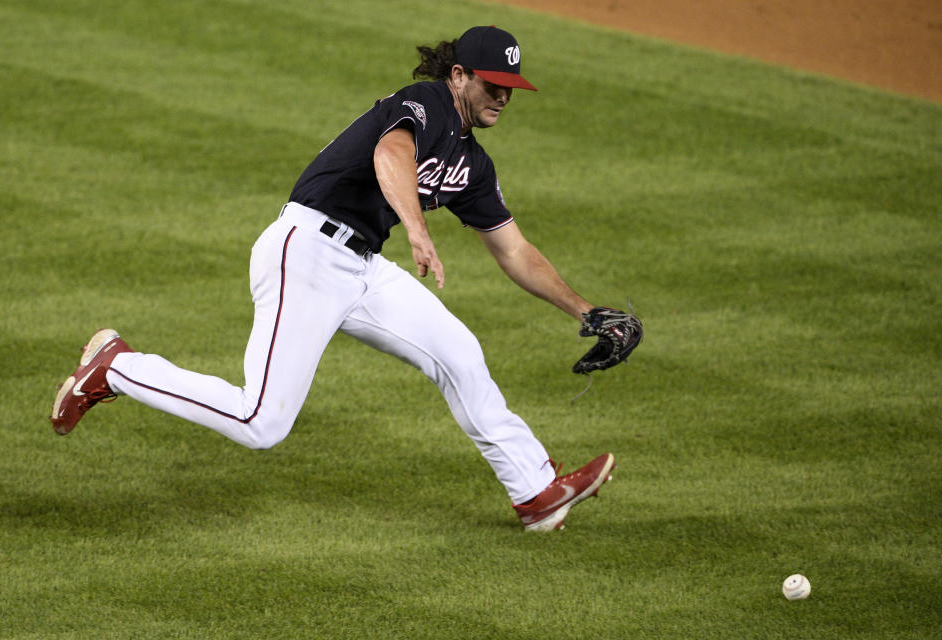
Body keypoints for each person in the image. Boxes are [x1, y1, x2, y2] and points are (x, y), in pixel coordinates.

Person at [51, 26, 633, 532]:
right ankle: (118, 369)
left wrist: (585, 311)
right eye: (490, 84)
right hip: (304, 252)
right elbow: (390, 154)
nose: (503, 96)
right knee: (261, 423)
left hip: (361, 269)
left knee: (458, 351)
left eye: (511, 88)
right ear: (458, 76)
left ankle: (535, 492)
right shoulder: (425, 103)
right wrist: (416, 228)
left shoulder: (473, 164)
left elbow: (513, 250)